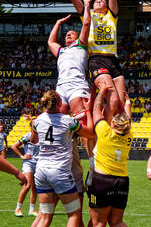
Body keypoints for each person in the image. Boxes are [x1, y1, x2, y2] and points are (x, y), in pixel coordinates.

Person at [52, 0, 125, 119]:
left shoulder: (112, 16)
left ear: (106, 6)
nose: (99, 1)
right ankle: (101, 130)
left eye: (102, 0)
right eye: (96, 1)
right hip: (96, 60)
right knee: (112, 101)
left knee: (120, 105)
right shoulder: (88, 14)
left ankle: (111, 133)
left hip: (113, 60)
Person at [48, 0, 96, 227]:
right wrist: (58, 24)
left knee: (83, 124)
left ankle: (94, 161)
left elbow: (86, 23)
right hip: (61, 89)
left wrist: (86, 6)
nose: (68, 34)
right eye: (66, 33)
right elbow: (50, 42)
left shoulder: (81, 45)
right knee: (61, 123)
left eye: (71, 33)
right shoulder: (61, 51)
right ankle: (65, 160)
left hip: (77, 87)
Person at [31, 90, 95, 227]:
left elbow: (33, 139)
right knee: (74, 214)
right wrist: (88, 111)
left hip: (41, 172)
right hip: (60, 172)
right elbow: (90, 134)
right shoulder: (68, 121)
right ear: (60, 103)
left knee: (45, 218)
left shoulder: (37, 121)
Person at [86, 85, 133, 227]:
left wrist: (101, 93)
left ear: (112, 123)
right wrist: (127, 104)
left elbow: (96, 110)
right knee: (117, 222)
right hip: (122, 181)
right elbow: (128, 120)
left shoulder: (105, 132)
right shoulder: (129, 136)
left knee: (99, 223)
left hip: (102, 180)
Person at [11, 117, 39, 217]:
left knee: (35, 188)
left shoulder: (42, 136)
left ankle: (32, 210)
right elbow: (13, 146)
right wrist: (22, 156)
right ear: (31, 126)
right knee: (27, 185)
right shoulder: (27, 136)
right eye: (35, 124)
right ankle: (18, 209)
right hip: (29, 163)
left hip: (39, 164)